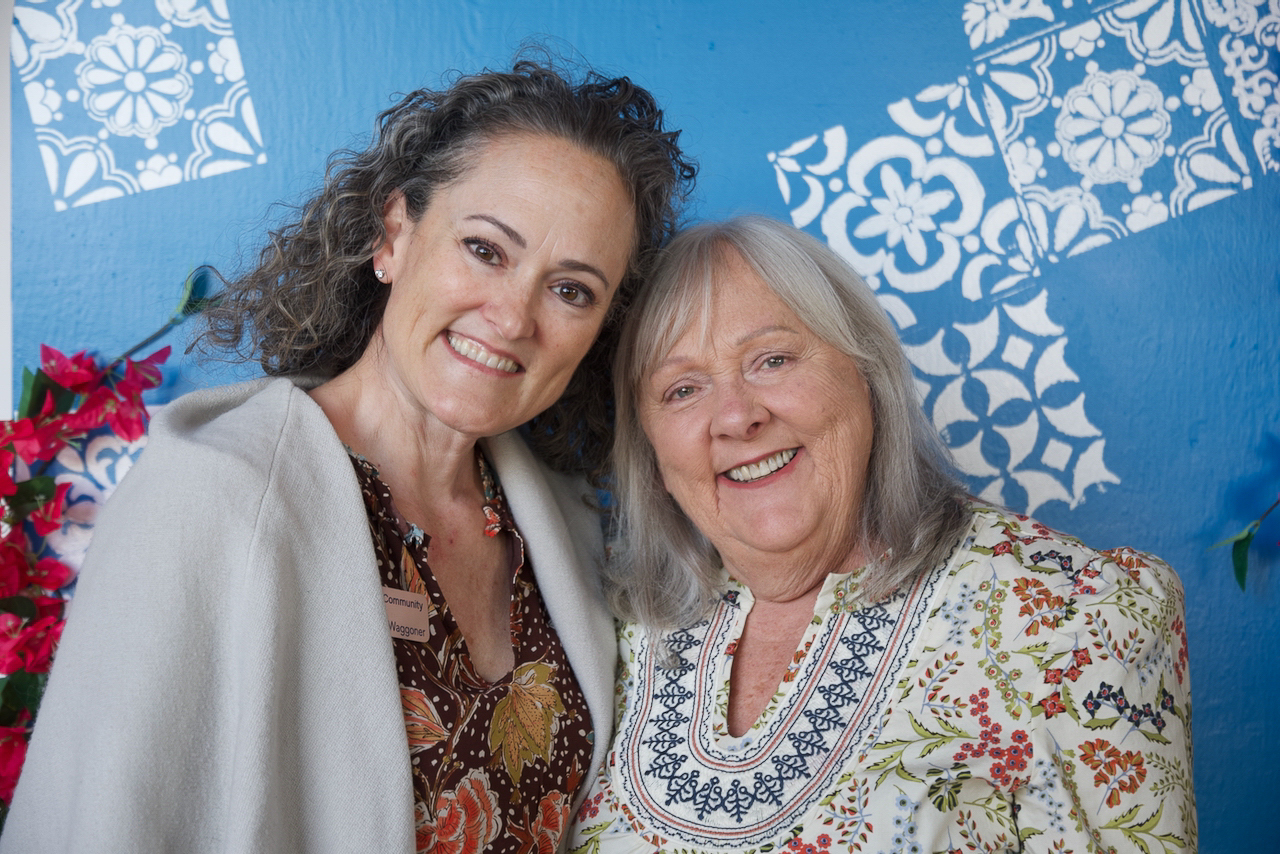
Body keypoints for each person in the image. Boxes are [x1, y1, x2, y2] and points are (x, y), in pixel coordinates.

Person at [2, 59, 695, 853]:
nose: (512, 317)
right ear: (393, 234)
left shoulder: (568, 525)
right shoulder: (211, 494)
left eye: (571, 290)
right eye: (485, 249)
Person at [567, 217, 1196, 853]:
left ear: (866, 374)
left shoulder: (1075, 617)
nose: (735, 416)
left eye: (773, 359)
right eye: (682, 390)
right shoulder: (606, 627)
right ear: (650, 452)